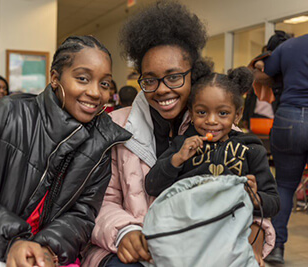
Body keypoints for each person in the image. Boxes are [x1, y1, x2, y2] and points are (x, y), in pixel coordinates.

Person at [82, 2, 275, 267]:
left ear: (192, 75)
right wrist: (124, 230)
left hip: (205, 250)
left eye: (174, 77)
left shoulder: (227, 134)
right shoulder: (114, 128)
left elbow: (254, 202)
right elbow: (98, 201)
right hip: (133, 253)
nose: (161, 89)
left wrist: (255, 234)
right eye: (150, 79)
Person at [0, 35, 131, 267]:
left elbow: (82, 215)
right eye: (82, 78)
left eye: (104, 83)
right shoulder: (7, 114)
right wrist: (14, 241)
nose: (95, 93)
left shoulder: (102, 141)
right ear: (55, 78)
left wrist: (46, 249)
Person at [145, 66, 280, 219]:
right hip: (186, 229)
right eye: (202, 112)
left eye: (223, 113)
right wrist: (177, 159)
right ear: (191, 113)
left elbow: (274, 202)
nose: (211, 121)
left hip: (230, 232)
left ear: (237, 115)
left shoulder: (251, 148)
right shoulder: (182, 145)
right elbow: (152, 186)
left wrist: (255, 199)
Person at [253, 33, 308, 264]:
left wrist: (258, 63)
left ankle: (276, 249)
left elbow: (264, 71)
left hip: (290, 117)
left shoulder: (289, 46)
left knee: (285, 185)